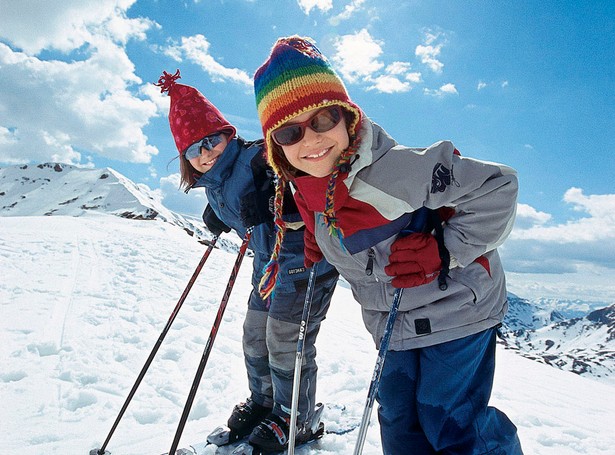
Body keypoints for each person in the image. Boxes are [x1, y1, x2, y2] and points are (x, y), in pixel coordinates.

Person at [253, 37, 524, 454]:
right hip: (391, 326)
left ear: (347, 119)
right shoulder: (305, 187)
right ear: (278, 148)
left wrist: (445, 249)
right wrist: (316, 241)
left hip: (456, 310)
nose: (310, 139)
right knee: (399, 423)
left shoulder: (396, 171)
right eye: (290, 131)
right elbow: (324, 218)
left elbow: (498, 185)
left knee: (450, 422)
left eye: (322, 119)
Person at [155, 70, 339, 453]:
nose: (206, 153)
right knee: (254, 335)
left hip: (304, 261)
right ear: (186, 158)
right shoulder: (217, 183)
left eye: (212, 140)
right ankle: (264, 403)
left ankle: (295, 419)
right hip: (267, 269)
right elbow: (238, 202)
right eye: (194, 149)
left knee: (285, 341)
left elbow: (300, 174)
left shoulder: (259, 158)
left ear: (228, 134)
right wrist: (219, 213)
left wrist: (283, 194)